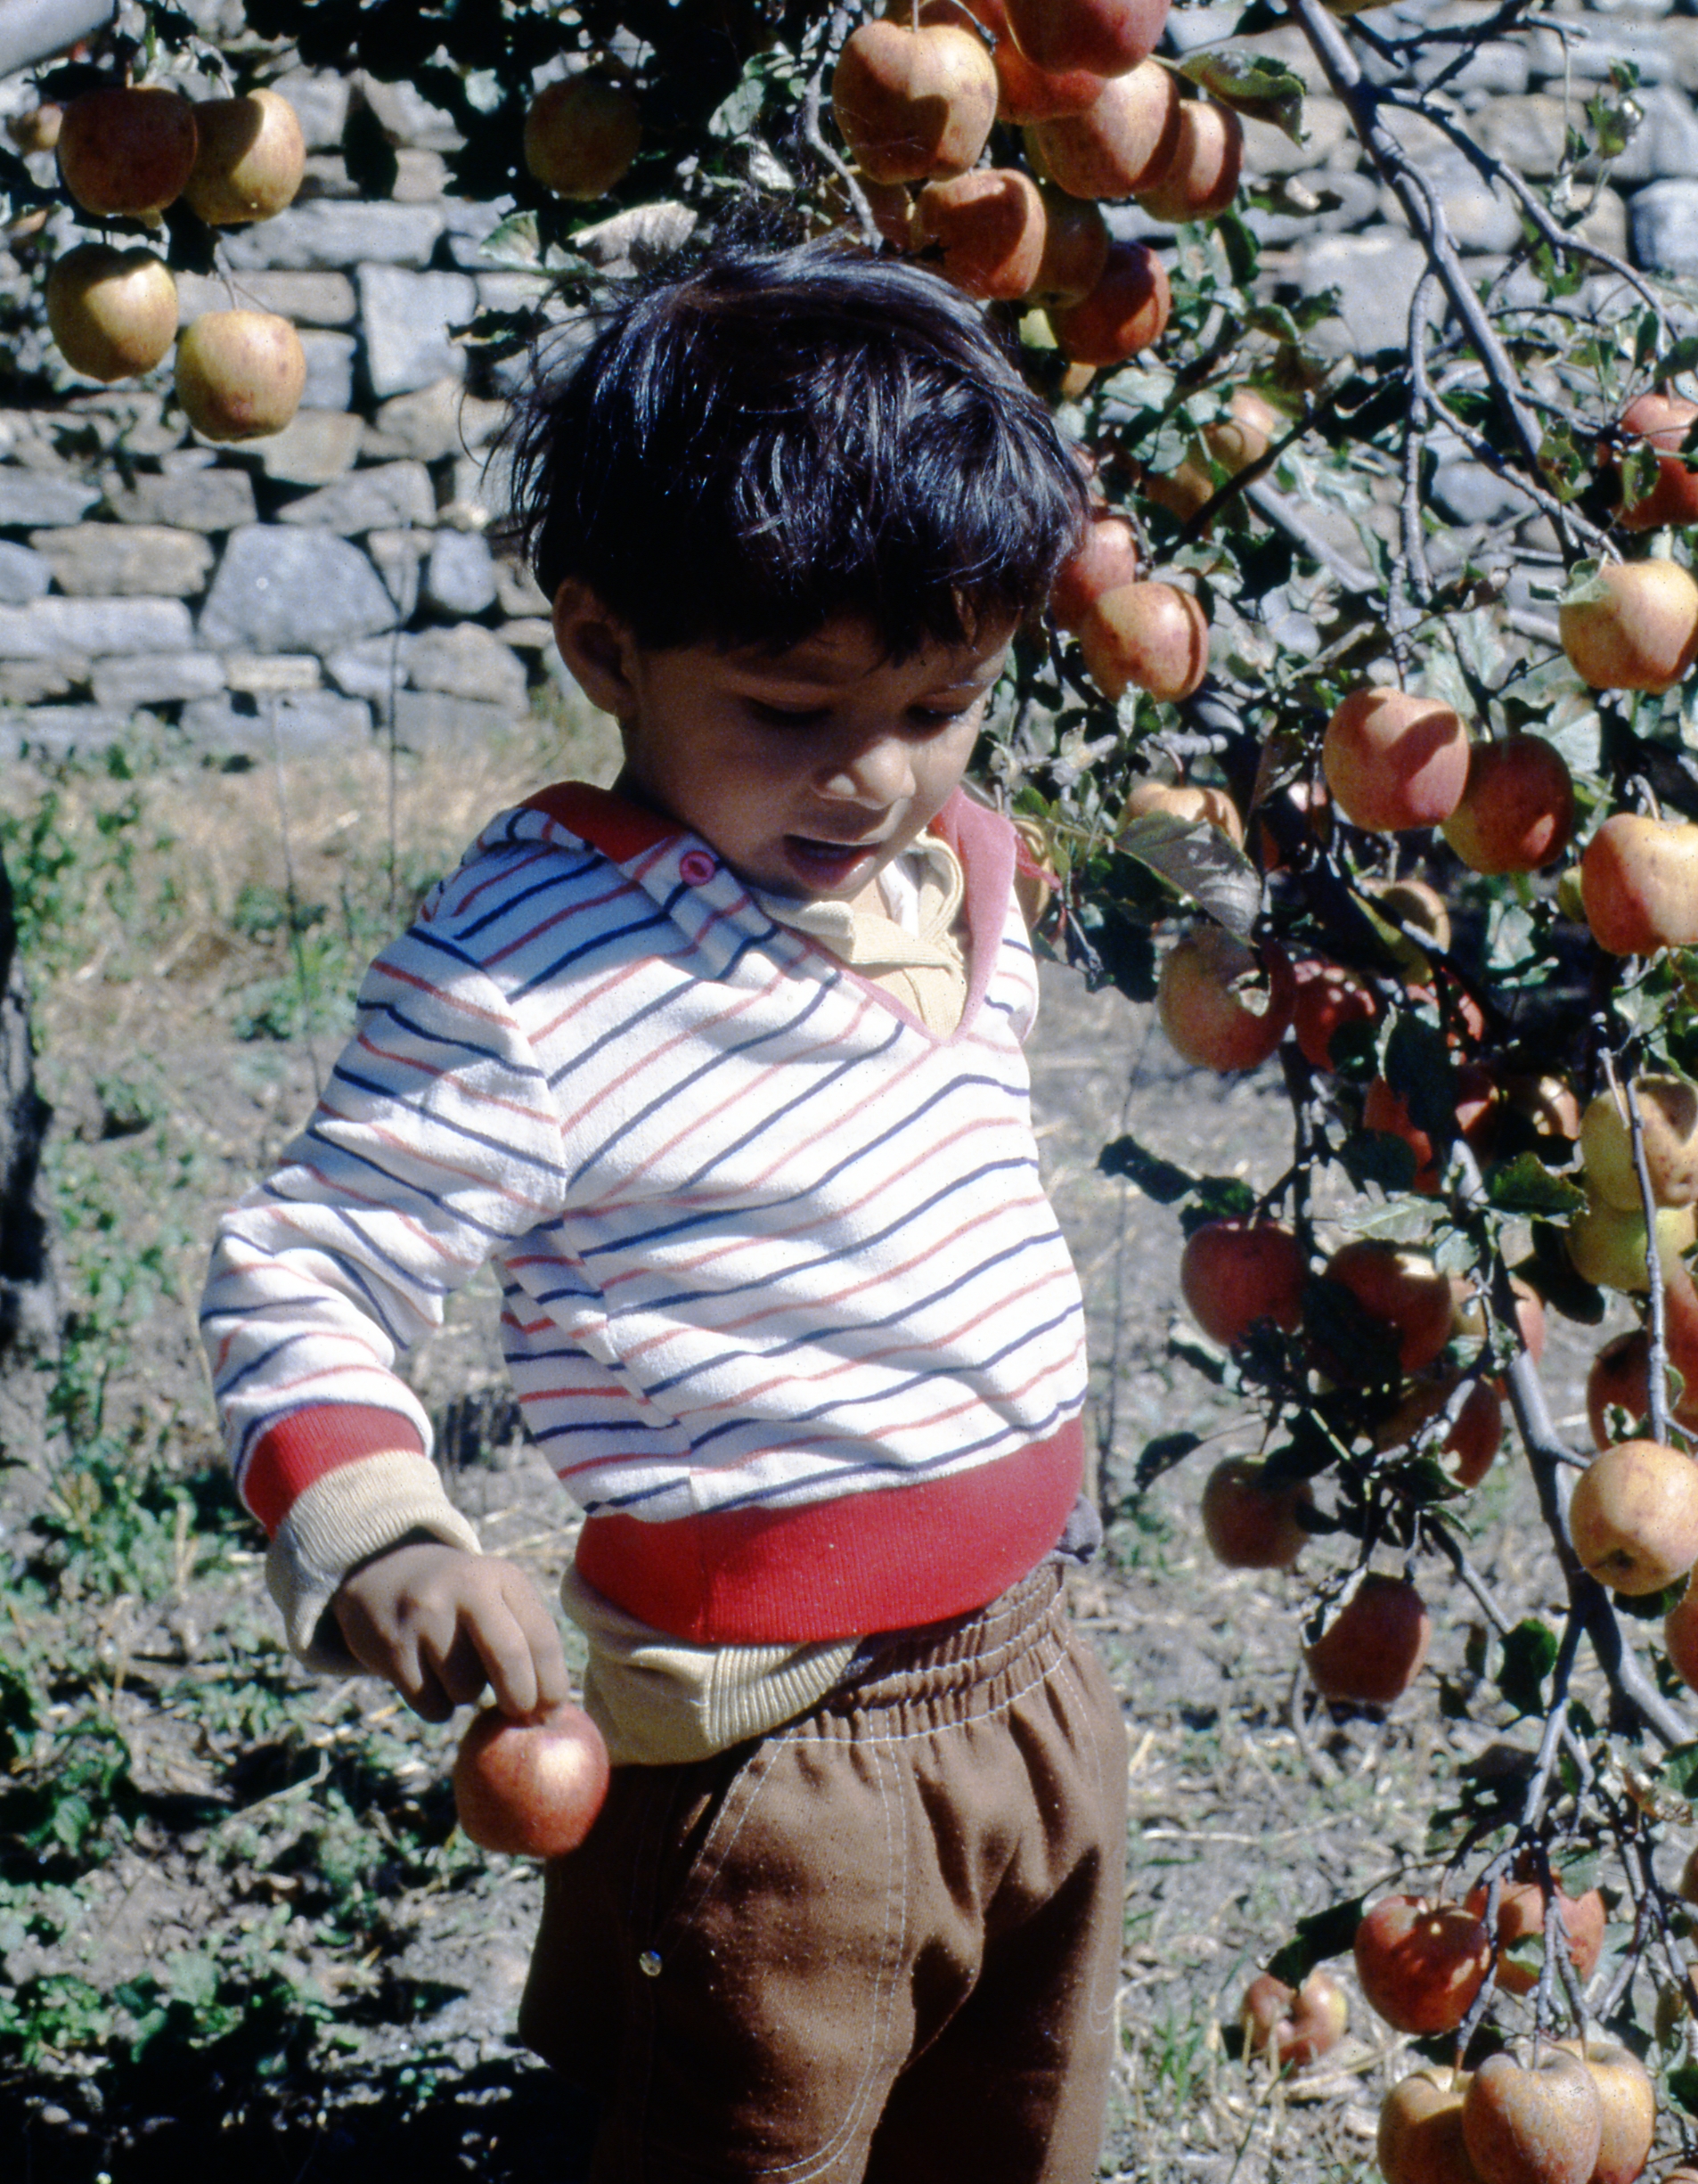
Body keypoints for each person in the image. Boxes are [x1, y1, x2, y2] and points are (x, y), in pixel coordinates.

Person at [200, 241, 1129, 2184]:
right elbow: (308, 1262)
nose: (874, 775)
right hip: (771, 1757)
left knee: (1014, 2133)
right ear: (604, 642)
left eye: (945, 697)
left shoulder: (961, 870)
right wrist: (381, 1524)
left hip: (1034, 1670)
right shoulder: (534, 967)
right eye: (791, 707)